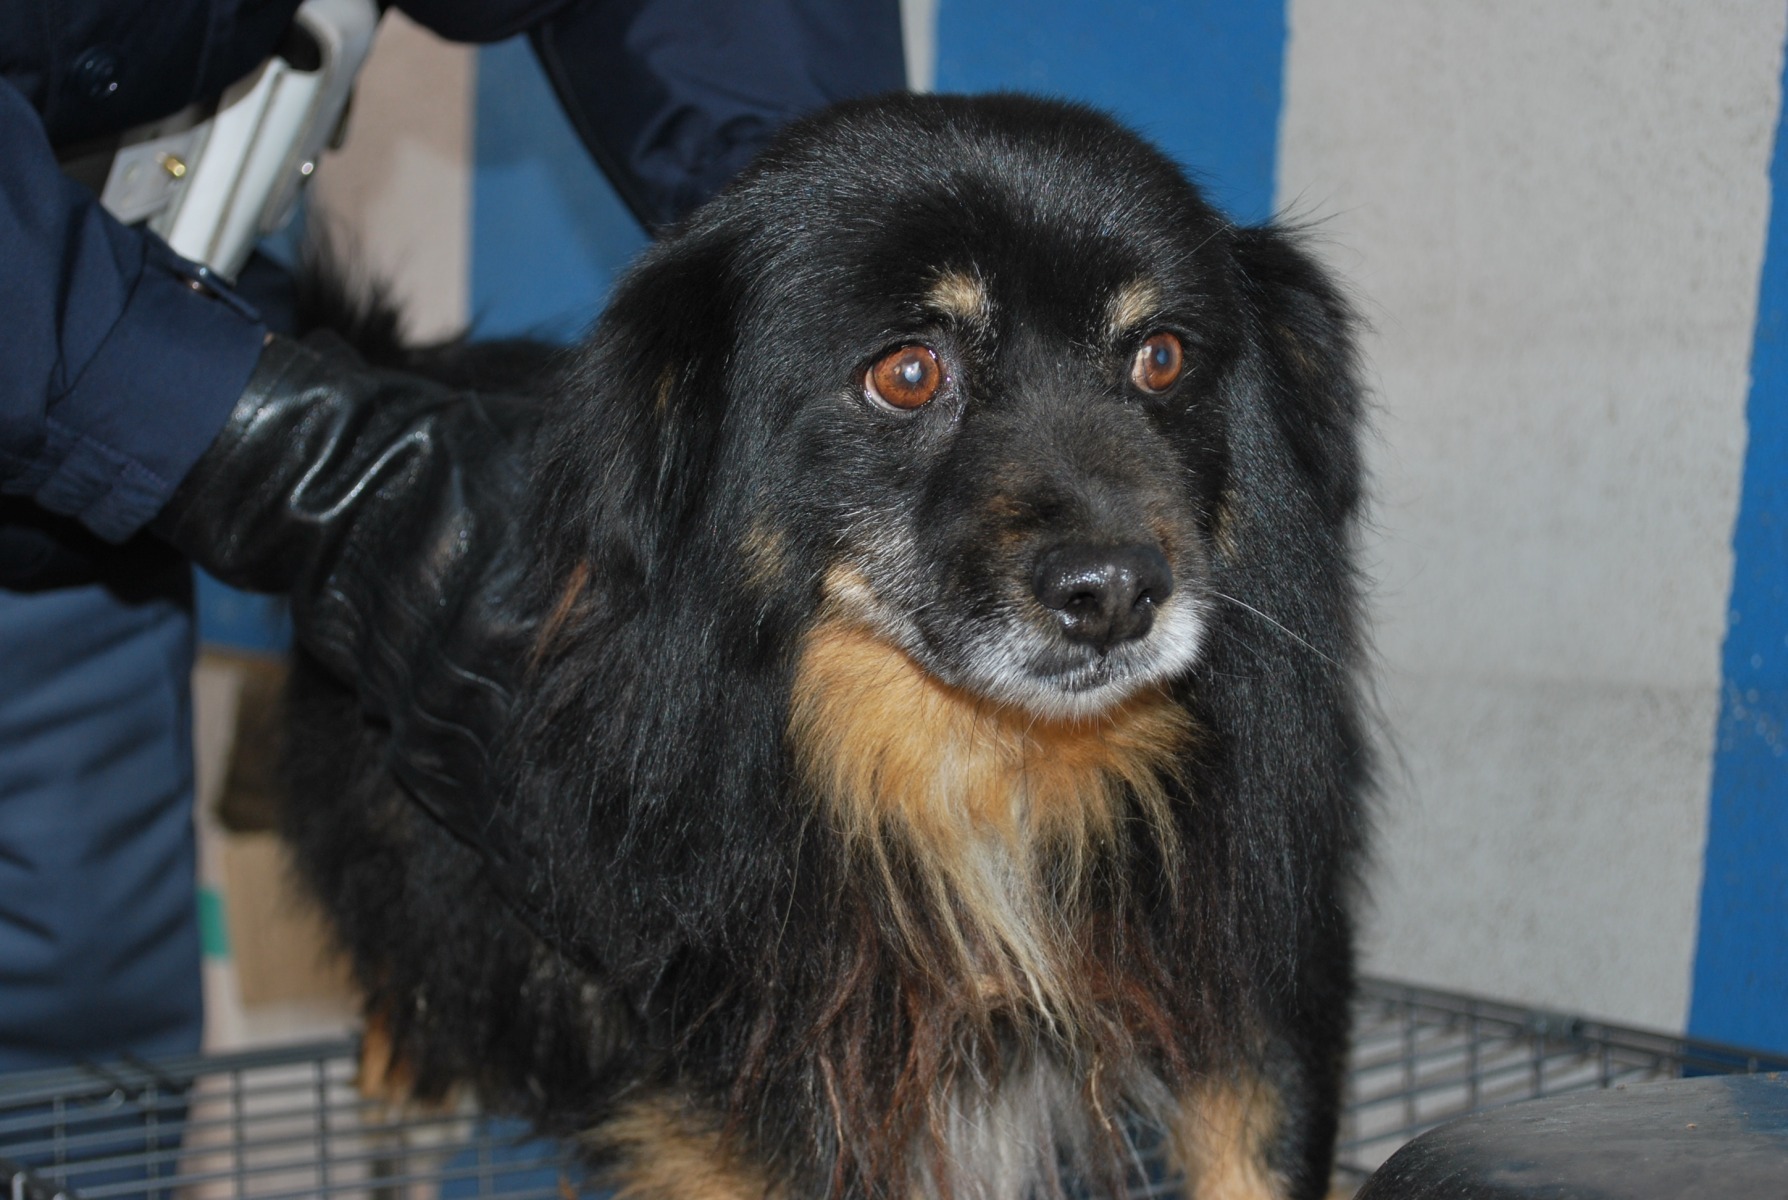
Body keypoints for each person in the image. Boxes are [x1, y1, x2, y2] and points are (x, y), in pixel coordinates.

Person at [0, 0, 905, 1073]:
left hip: (78, 475)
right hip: (78, 366)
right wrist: (323, 473)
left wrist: (835, 257)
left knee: (81, 1039)